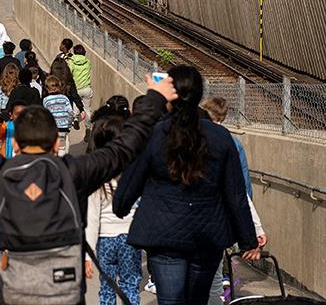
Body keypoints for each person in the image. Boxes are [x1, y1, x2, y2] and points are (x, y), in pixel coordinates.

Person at [0, 75, 177, 304]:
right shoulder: (74, 172)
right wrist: (153, 99)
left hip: (13, 285)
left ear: (15, 144)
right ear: (55, 144)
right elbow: (124, 147)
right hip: (62, 286)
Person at [113, 65, 261, 305]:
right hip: (208, 236)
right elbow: (235, 192)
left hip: (164, 235)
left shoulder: (154, 134)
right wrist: (248, 239)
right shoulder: (221, 137)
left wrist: (121, 205)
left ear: (169, 94)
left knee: (170, 300)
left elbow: (130, 185)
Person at [201, 96, 268, 304]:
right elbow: (242, 189)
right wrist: (251, 228)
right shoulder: (232, 142)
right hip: (219, 221)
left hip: (191, 222)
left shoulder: (190, 139)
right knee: (214, 278)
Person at [85, 117, 142, 305]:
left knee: (107, 287)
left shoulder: (96, 176)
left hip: (105, 240)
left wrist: (87, 254)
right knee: (130, 284)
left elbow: (92, 219)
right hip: (130, 237)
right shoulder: (134, 172)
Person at [43, 57, 85, 122]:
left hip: (52, 115)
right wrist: (81, 108)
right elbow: (75, 95)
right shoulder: (69, 81)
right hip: (65, 117)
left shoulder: (50, 80)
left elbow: (44, 95)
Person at [42, 75, 75, 156]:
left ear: (47, 88)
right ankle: (63, 159)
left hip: (52, 128)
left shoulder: (46, 100)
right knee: (62, 145)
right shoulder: (65, 98)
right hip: (63, 127)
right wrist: (69, 123)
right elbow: (71, 113)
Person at [69, 44, 93, 130]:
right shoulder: (88, 61)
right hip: (87, 88)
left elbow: (69, 73)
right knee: (87, 109)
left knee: (76, 103)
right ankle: (88, 128)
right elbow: (89, 68)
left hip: (77, 88)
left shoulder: (71, 62)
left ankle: (75, 118)